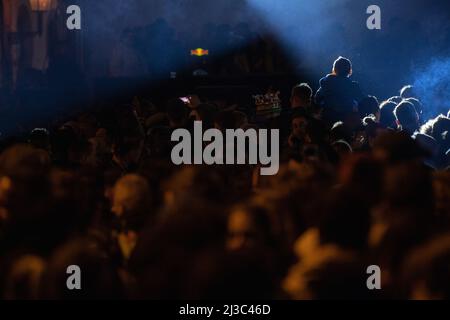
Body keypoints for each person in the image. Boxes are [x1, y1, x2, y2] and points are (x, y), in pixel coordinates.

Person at [315, 56, 364, 124]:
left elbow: (317, 99)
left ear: (334, 69)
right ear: (349, 70)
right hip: (347, 122)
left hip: (327, 120)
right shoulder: (353, 86)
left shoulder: (326, 83)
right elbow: (361, 102)